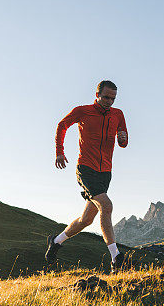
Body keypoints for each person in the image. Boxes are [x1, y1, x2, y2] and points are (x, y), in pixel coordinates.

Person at [47, 80, 128, 273]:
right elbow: (62, 125)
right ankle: (116, 257)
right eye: (106, 97)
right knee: (106, 206)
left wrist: (123, 140)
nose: (110, 101)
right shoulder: (83, 111)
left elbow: (123, 139)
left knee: (87, 219)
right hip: (86, 169)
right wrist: (59, 151)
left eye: (113, 98)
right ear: (97, 94)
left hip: (106, 172)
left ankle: (56, 241)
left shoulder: (118, 115)